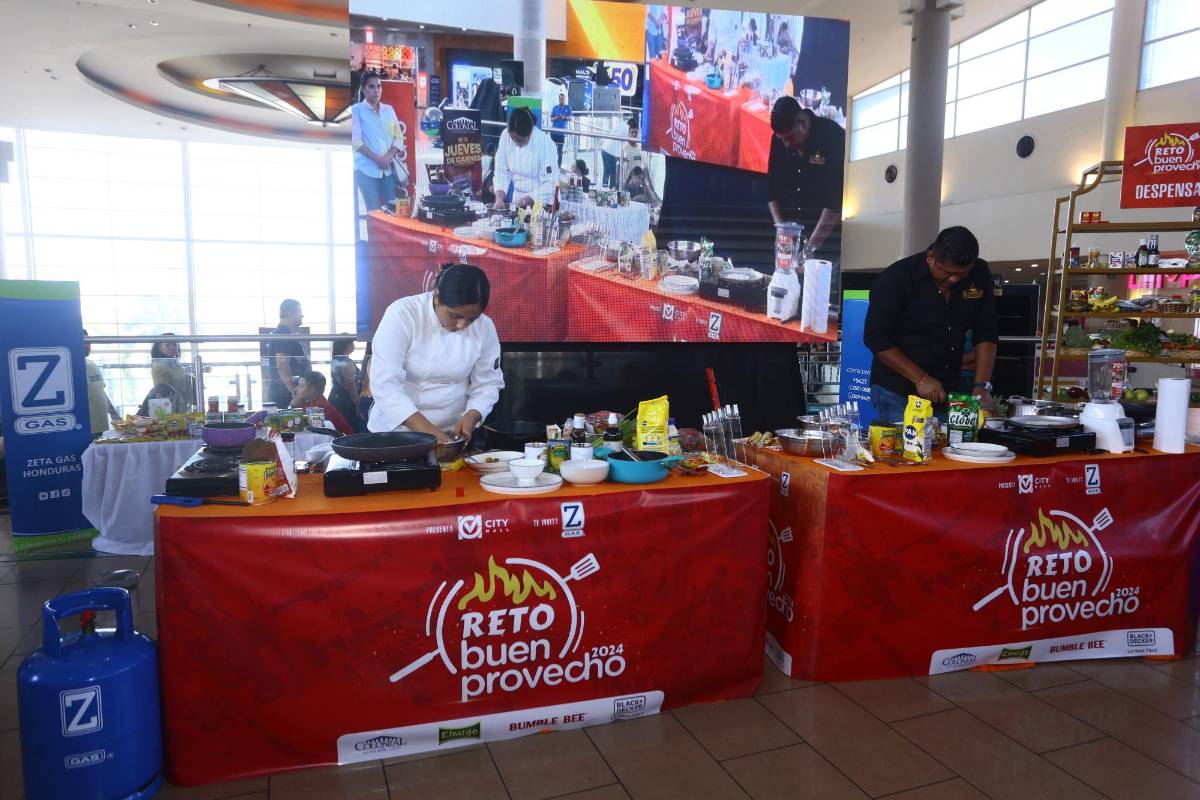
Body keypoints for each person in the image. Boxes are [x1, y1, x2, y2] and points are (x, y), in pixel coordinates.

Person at [863, 226, 998, 424]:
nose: (954, 279)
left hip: (949, 388)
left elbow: (986, 332)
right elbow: (876, 337)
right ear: (930, 257)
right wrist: (921, 379)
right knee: (908, 444)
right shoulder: (896, 278)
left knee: (954, 444)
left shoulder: (979, 273)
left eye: (962, 274)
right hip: (898, 391)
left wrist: (981, 386)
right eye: (947, 272)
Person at [370, 263, 504, 443]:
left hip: (452, 432)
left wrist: (472, 415)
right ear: (437, 296)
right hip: (396, 432)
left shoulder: (485, 327)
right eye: (454, 316)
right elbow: (386, 386)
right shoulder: (403, 315)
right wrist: (432, 435)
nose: (462, 325)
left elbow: (488, 384)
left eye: (472, 319)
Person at [767, 96, 844, 260]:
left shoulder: (833, 137)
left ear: (802, 122)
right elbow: (771, 190)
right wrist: (782, 231)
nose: (786, 144)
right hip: (790, 238)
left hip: (824, 240)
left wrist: (809, 249)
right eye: (782, 139)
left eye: (790, 137)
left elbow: (834, 204)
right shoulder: (779, 139)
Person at [351, 73, 401, 212]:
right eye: (371, 87)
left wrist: (388, 156)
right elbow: (355, 142)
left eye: (379, 86)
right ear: (363, 89)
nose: (376, 90)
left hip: (388, 170)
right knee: (374, 213)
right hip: (366, 170)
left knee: (393, 212)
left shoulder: (388, 110)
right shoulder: (356, 111)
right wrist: (378, 159)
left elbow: (398, 137)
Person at [492, 107, 558, 210]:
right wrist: (499, 198)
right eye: (513, 139)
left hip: (542, 204)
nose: (516, 144)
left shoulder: (545, 144)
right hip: (517, 202)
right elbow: (501, 171)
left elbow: (551, 184)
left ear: (530, 132)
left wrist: (526, 200)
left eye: (520, 140)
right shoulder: (505, 136)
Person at [266, 299, 311, 410]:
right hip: (286, 394)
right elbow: (282, 365)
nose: (302, 316)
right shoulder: (283, 334)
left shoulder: (286, 333)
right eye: (299, 312)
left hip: (286, 391)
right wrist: (295, 392)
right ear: (290, 314)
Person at [82, 330, 119, 435]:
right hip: (84, 427)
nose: (87, 345)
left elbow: (100, 391)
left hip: (99, 425)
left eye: (89, 341)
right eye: (83, 342)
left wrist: (115, 416)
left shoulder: (91, 365)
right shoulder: (70, 368)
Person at [150, 334, 194, 410]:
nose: (172, 347)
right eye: (167, 345)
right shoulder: (159, 367)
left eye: (174, 345)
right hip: (172, 410)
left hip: (183, 408)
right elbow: (162, 393)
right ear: (159, 347)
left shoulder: (176, 365)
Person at [330, 337, 364, 433]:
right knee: (350, 430)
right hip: (346, 402)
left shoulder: (335, 360)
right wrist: (357, 405)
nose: (354, 346)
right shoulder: (347, 363)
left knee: (338, 430)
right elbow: (350, 386)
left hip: (335, 398)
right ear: (348, 345)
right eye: (352, 343)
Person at [600, 114, 623, 189]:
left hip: (604, 148)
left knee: (606, 171)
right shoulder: (624, 130)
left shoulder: (619, 127)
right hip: (610, 150)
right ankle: (611, 190)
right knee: (613, 173)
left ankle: (604, 188)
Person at [549, 92, 572, 166]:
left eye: (562, 99)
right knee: (552, 151)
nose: (561, 100)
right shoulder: (555, 108)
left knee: (560, 152)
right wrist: (556, 117)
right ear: (558, 99)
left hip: (561, 134)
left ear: (565, 99)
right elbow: (551, 119)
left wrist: (564, 117)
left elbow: (570, 118)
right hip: (554, 133)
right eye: (560, 99)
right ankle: (552, 166)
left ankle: (558, 167)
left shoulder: (568, 107)